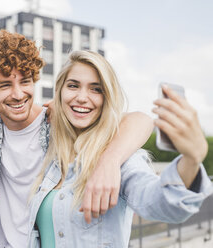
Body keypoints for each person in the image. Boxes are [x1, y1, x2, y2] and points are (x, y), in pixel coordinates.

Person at [0, 30, 154, 248]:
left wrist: (110, 161)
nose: (18, 94)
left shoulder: (57, 125)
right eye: (5, 85)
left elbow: (141, 120)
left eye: (25, 82)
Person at [27, 50, 212, 248]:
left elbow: (161, 203)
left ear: (107, 98)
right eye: (73, 86)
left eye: (96, 89)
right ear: (60, 92)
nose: (82, 97)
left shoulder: (122, 159)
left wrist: (192, 159)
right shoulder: (49, 154)